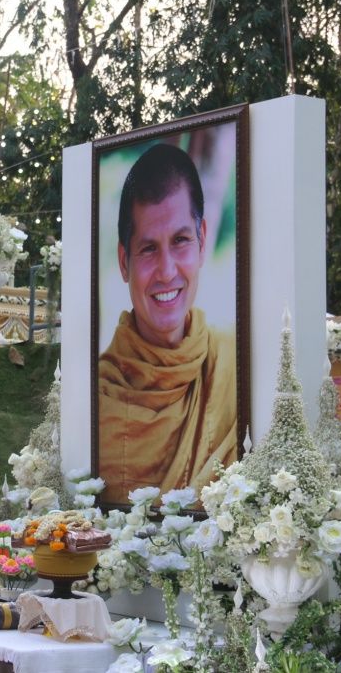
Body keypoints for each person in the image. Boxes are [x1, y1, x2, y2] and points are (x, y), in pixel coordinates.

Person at [97, 142, 237, 504]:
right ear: (124, 261)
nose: (167, 271)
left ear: (202, 241)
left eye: (180, 241)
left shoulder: (235, 367)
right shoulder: (100, 396)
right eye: (148, 249)